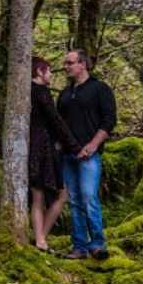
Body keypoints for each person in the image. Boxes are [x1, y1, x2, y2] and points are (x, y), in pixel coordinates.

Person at [57, 49, 117, 260]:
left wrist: (92, 145)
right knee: (73, 201)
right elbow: (59, 124)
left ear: (83, 64)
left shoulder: (100, 89)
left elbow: (109, 121)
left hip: (89, 155)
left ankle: (98, 244)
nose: (66, 66)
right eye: (65, 63)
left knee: (89, 197)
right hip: (67, 155)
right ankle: (80, 246)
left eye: (70, 63)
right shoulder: (64, 93)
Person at [29, 56, 82, 252]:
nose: (51, 74)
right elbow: (56, 122)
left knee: (38, 197)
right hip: (43, 149)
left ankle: (40, 239)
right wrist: (76, 147)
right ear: (39, 71)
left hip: (32, 148)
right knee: (61, 195)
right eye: (48, 70)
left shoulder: (25, 92)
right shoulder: (42, 93)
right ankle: (41, 240)